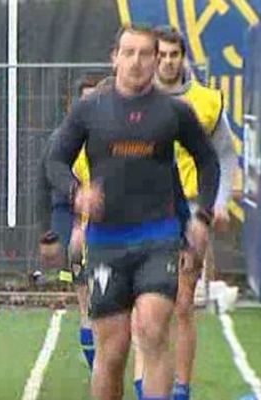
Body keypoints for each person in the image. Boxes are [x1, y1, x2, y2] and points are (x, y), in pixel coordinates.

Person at [48, 25, 219, 400]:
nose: (137, 62)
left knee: (153, 330)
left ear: (156, 61)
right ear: (115, 57)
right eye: (129, 53)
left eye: (146, 54)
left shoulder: (174, 111)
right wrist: (76, 192)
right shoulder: (89, 110)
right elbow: (55, 160)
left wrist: (201, 216)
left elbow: (208, 161)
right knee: (112, 352)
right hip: (106, 242)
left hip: (158, 238)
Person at [131, 26, 237, 400]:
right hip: (144, 209)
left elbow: (223, 154)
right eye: (160, 55)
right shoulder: (136, 98)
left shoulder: (205, 101)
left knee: (181, 303)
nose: (167, 61)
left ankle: (180, 388)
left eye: (174, 54)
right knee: (143, 301)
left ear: (184, 57)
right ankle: (143, 383)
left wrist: (218, 201)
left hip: (189, 211)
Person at [36, 75, 103, 372]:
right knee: (87, 298)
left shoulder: (118, 136)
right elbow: (43, 184)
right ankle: (96, 370)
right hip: (77, 226)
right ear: (71, 106)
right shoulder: (60, 143)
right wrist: (48, 232)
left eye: (95, 100)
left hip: (115, 227)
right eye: (83, 101)